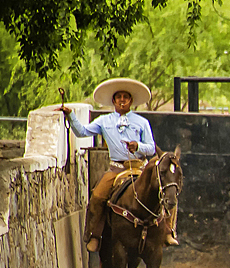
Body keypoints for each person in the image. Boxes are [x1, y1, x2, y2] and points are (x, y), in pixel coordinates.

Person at [62, 77, 177, 252]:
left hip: (141, 168)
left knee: (167, 189)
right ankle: (95, 234)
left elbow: (151, 147)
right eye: (119, 97)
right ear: (114, 101)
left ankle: (168, 230)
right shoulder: (103, 121)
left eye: (125, 96)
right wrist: (70, 115)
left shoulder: (141, 122)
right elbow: (82, 132)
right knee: (98, 196)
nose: (122, 100)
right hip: (117, 168)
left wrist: (137, 146)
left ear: (130, 100)